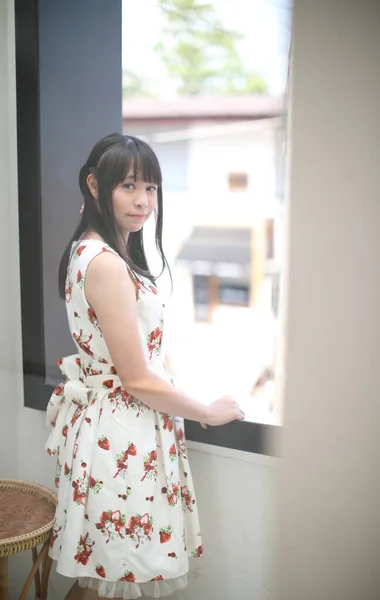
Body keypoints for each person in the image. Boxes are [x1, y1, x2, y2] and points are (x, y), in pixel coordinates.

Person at [45, 133, 245, 600]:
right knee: (109, 578)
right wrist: (205, 411)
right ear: (95, 186)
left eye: (151, 188)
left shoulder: (89, 249)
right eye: (129, 186)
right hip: (120, 434)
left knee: (104, 577)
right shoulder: (107, 264)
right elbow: (134, 378)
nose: (143, 201)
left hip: (112, 429)